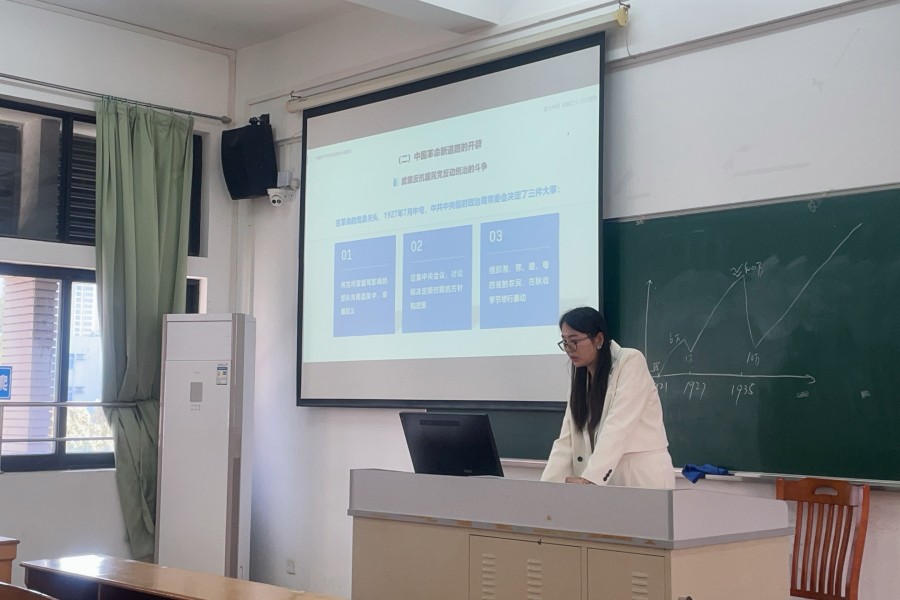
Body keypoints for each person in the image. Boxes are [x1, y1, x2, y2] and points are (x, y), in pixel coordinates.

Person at [541, 306, 675, 488]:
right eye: (564, 342)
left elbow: (619, 425)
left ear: (598, 339)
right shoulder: (580, 378)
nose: (569, 349)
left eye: (574, 341)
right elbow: (566, 440)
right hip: (602, 481)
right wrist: (545, 487)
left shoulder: (630, 361)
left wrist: (590, 477)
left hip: (639, 476)